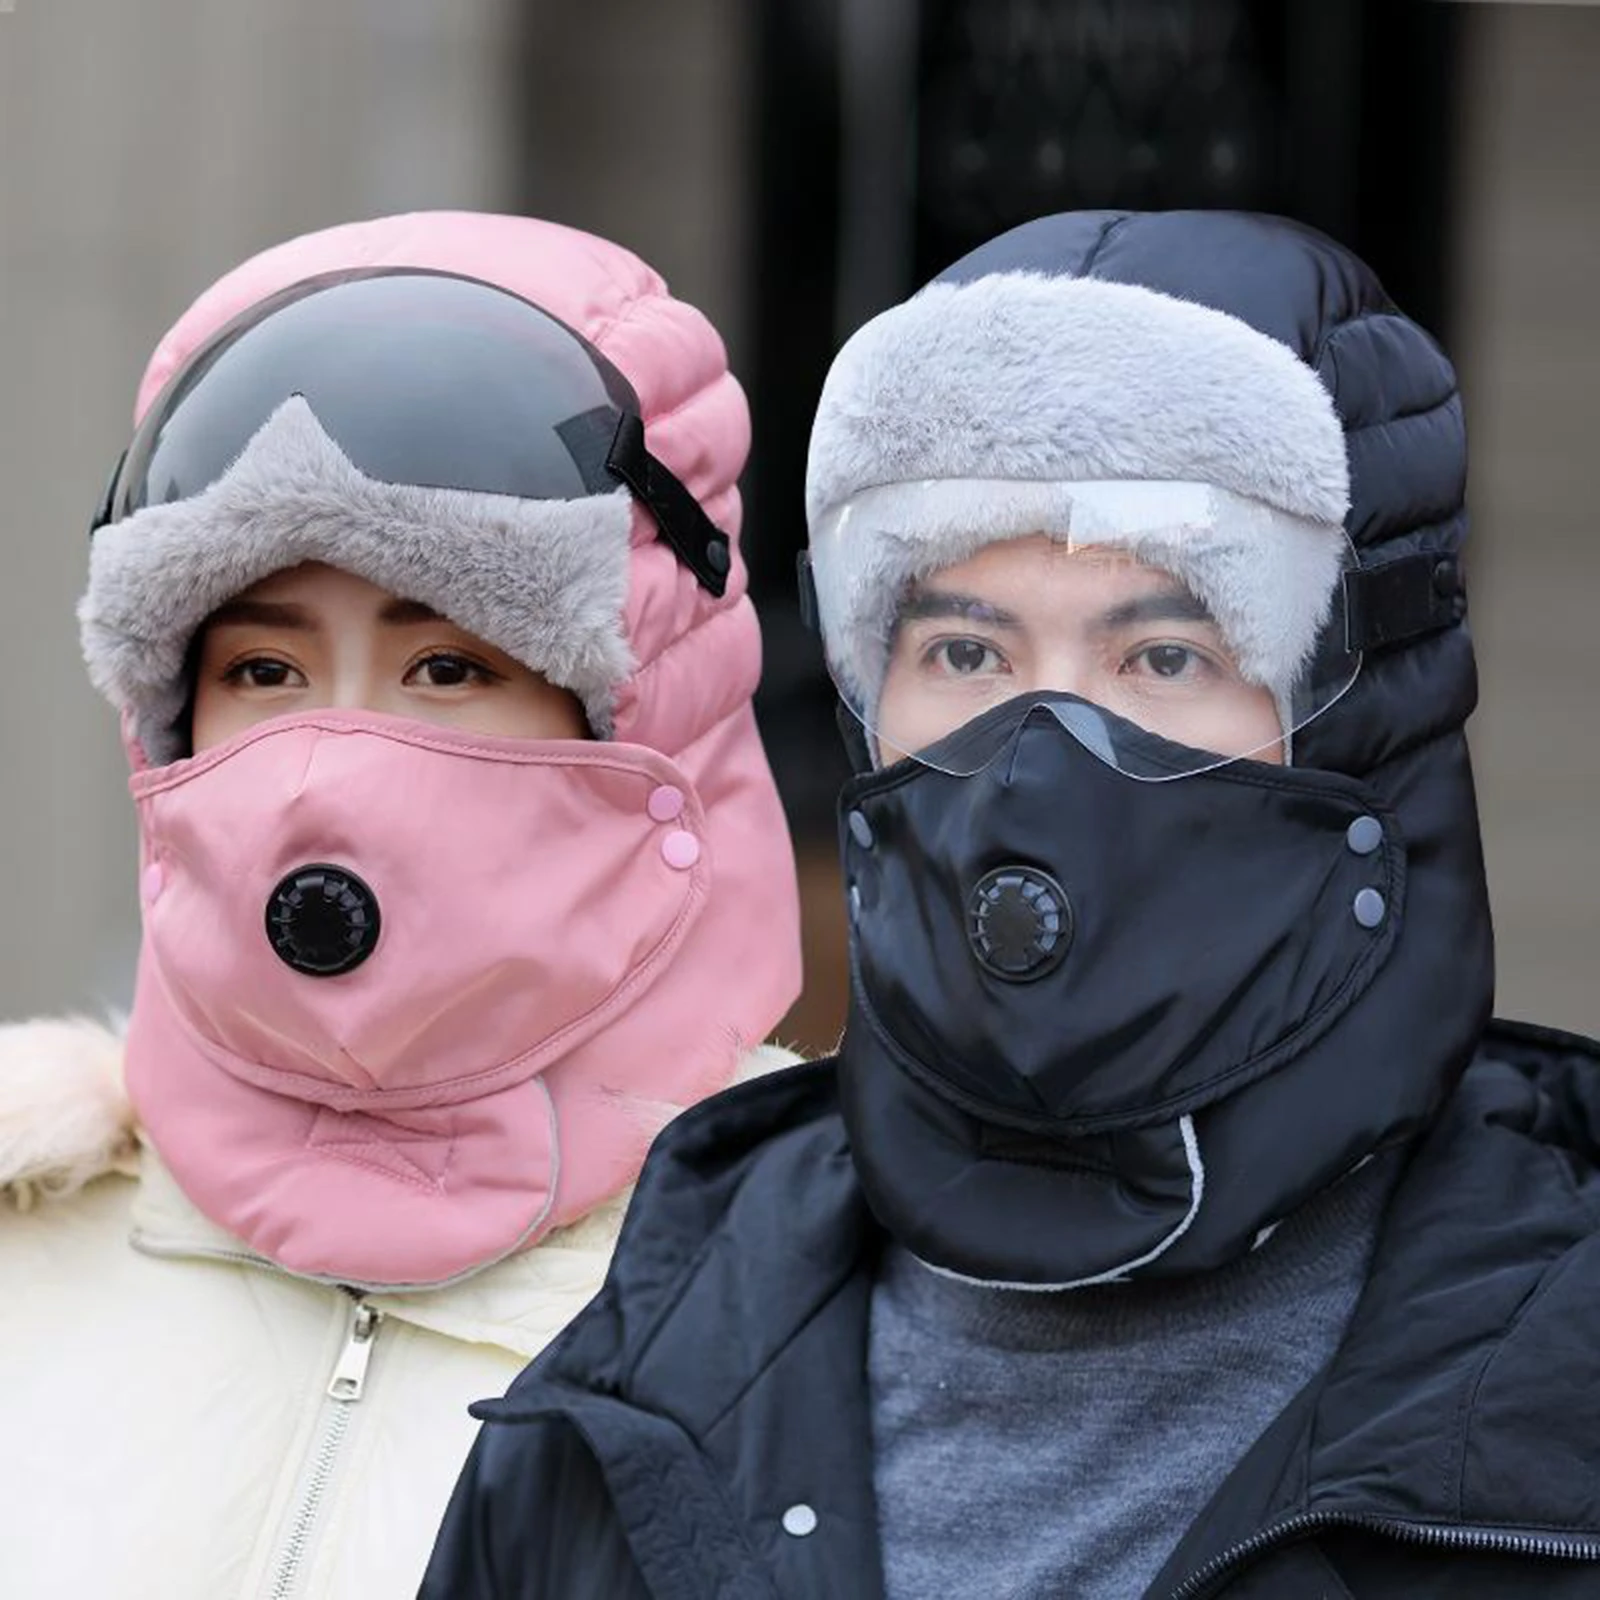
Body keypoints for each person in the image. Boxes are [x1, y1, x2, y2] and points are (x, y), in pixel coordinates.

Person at [423, 210, 1600, 1599]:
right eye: (966, 649)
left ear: (1366, 725)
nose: (1044, 760)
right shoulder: (636, 1386)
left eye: (1164, 655)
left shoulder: (1558, 1396)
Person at [0, 210, 803, 1598]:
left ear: (644, 718)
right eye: (265, 670)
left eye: (448, 669)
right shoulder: (29, 1246)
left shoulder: (809, 1304)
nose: (334, 764)